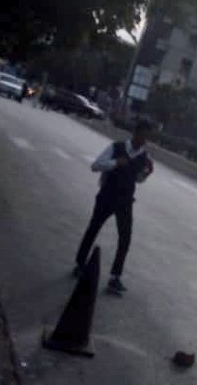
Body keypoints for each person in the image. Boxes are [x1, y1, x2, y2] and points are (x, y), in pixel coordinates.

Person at [74, 120, 154, 294]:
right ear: (135, 133)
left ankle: (115, 277)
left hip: (125, 201)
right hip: (107, 197)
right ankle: (79, 264)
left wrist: (146, 174)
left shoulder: (143, 157)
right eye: (142, 136)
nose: (143, 141)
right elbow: (95, 166)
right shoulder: (116, 147)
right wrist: (115, 163)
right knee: (93, 229)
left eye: (147, 138)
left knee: (125, 239)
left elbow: (138, 179)